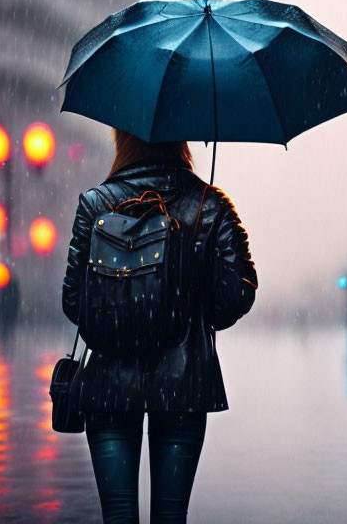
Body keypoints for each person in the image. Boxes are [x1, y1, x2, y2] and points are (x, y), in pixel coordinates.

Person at [62, 129, 257, 524]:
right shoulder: (209, 204)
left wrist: (118, 314)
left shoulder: (96, 203)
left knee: (118, 516)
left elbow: (72, 301)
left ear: (123, 138)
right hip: (182, 383)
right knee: (171, 516)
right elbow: (237, 293)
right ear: (182, 138)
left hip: (108, 384)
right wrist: (198, 311)